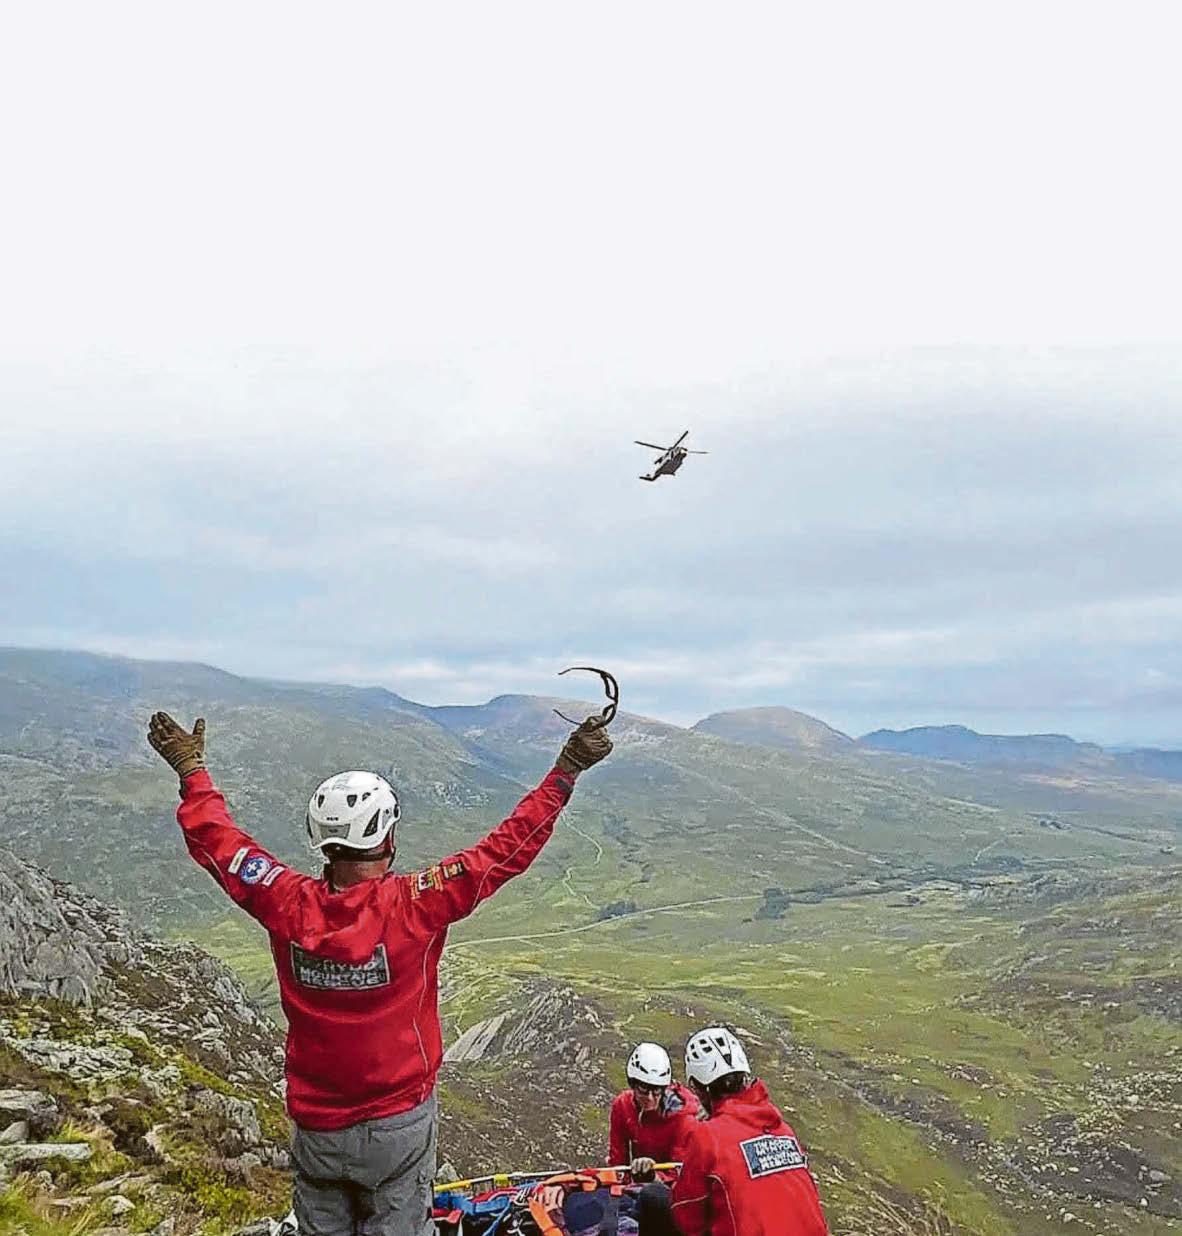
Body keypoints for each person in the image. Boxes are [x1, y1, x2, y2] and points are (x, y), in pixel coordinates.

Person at [146, 710, 612, 1236]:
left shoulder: (281, 900)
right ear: (387, 838)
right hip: (398, 1123)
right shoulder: (418, 904)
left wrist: (192, 772)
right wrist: (566, 770)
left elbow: (221, 844)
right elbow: (505, 850)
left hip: (317, 1125)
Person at [670, 1027, 829, 1236]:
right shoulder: (783, 1131)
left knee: (653, 1197)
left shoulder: (708, 1136)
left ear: (700, 1089)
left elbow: (687, 1219)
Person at [608, 1042, 699, 1175]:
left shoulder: (683, 1119)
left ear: (664, 1088)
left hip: (670, 1181)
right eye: (643, 1089)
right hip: (642, 1177)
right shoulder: (622, 1106)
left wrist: (652, 1177)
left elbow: (679, 1172)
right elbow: (617, 1161)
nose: (650, 1098)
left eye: (656, 1090)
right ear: (633, 1085)